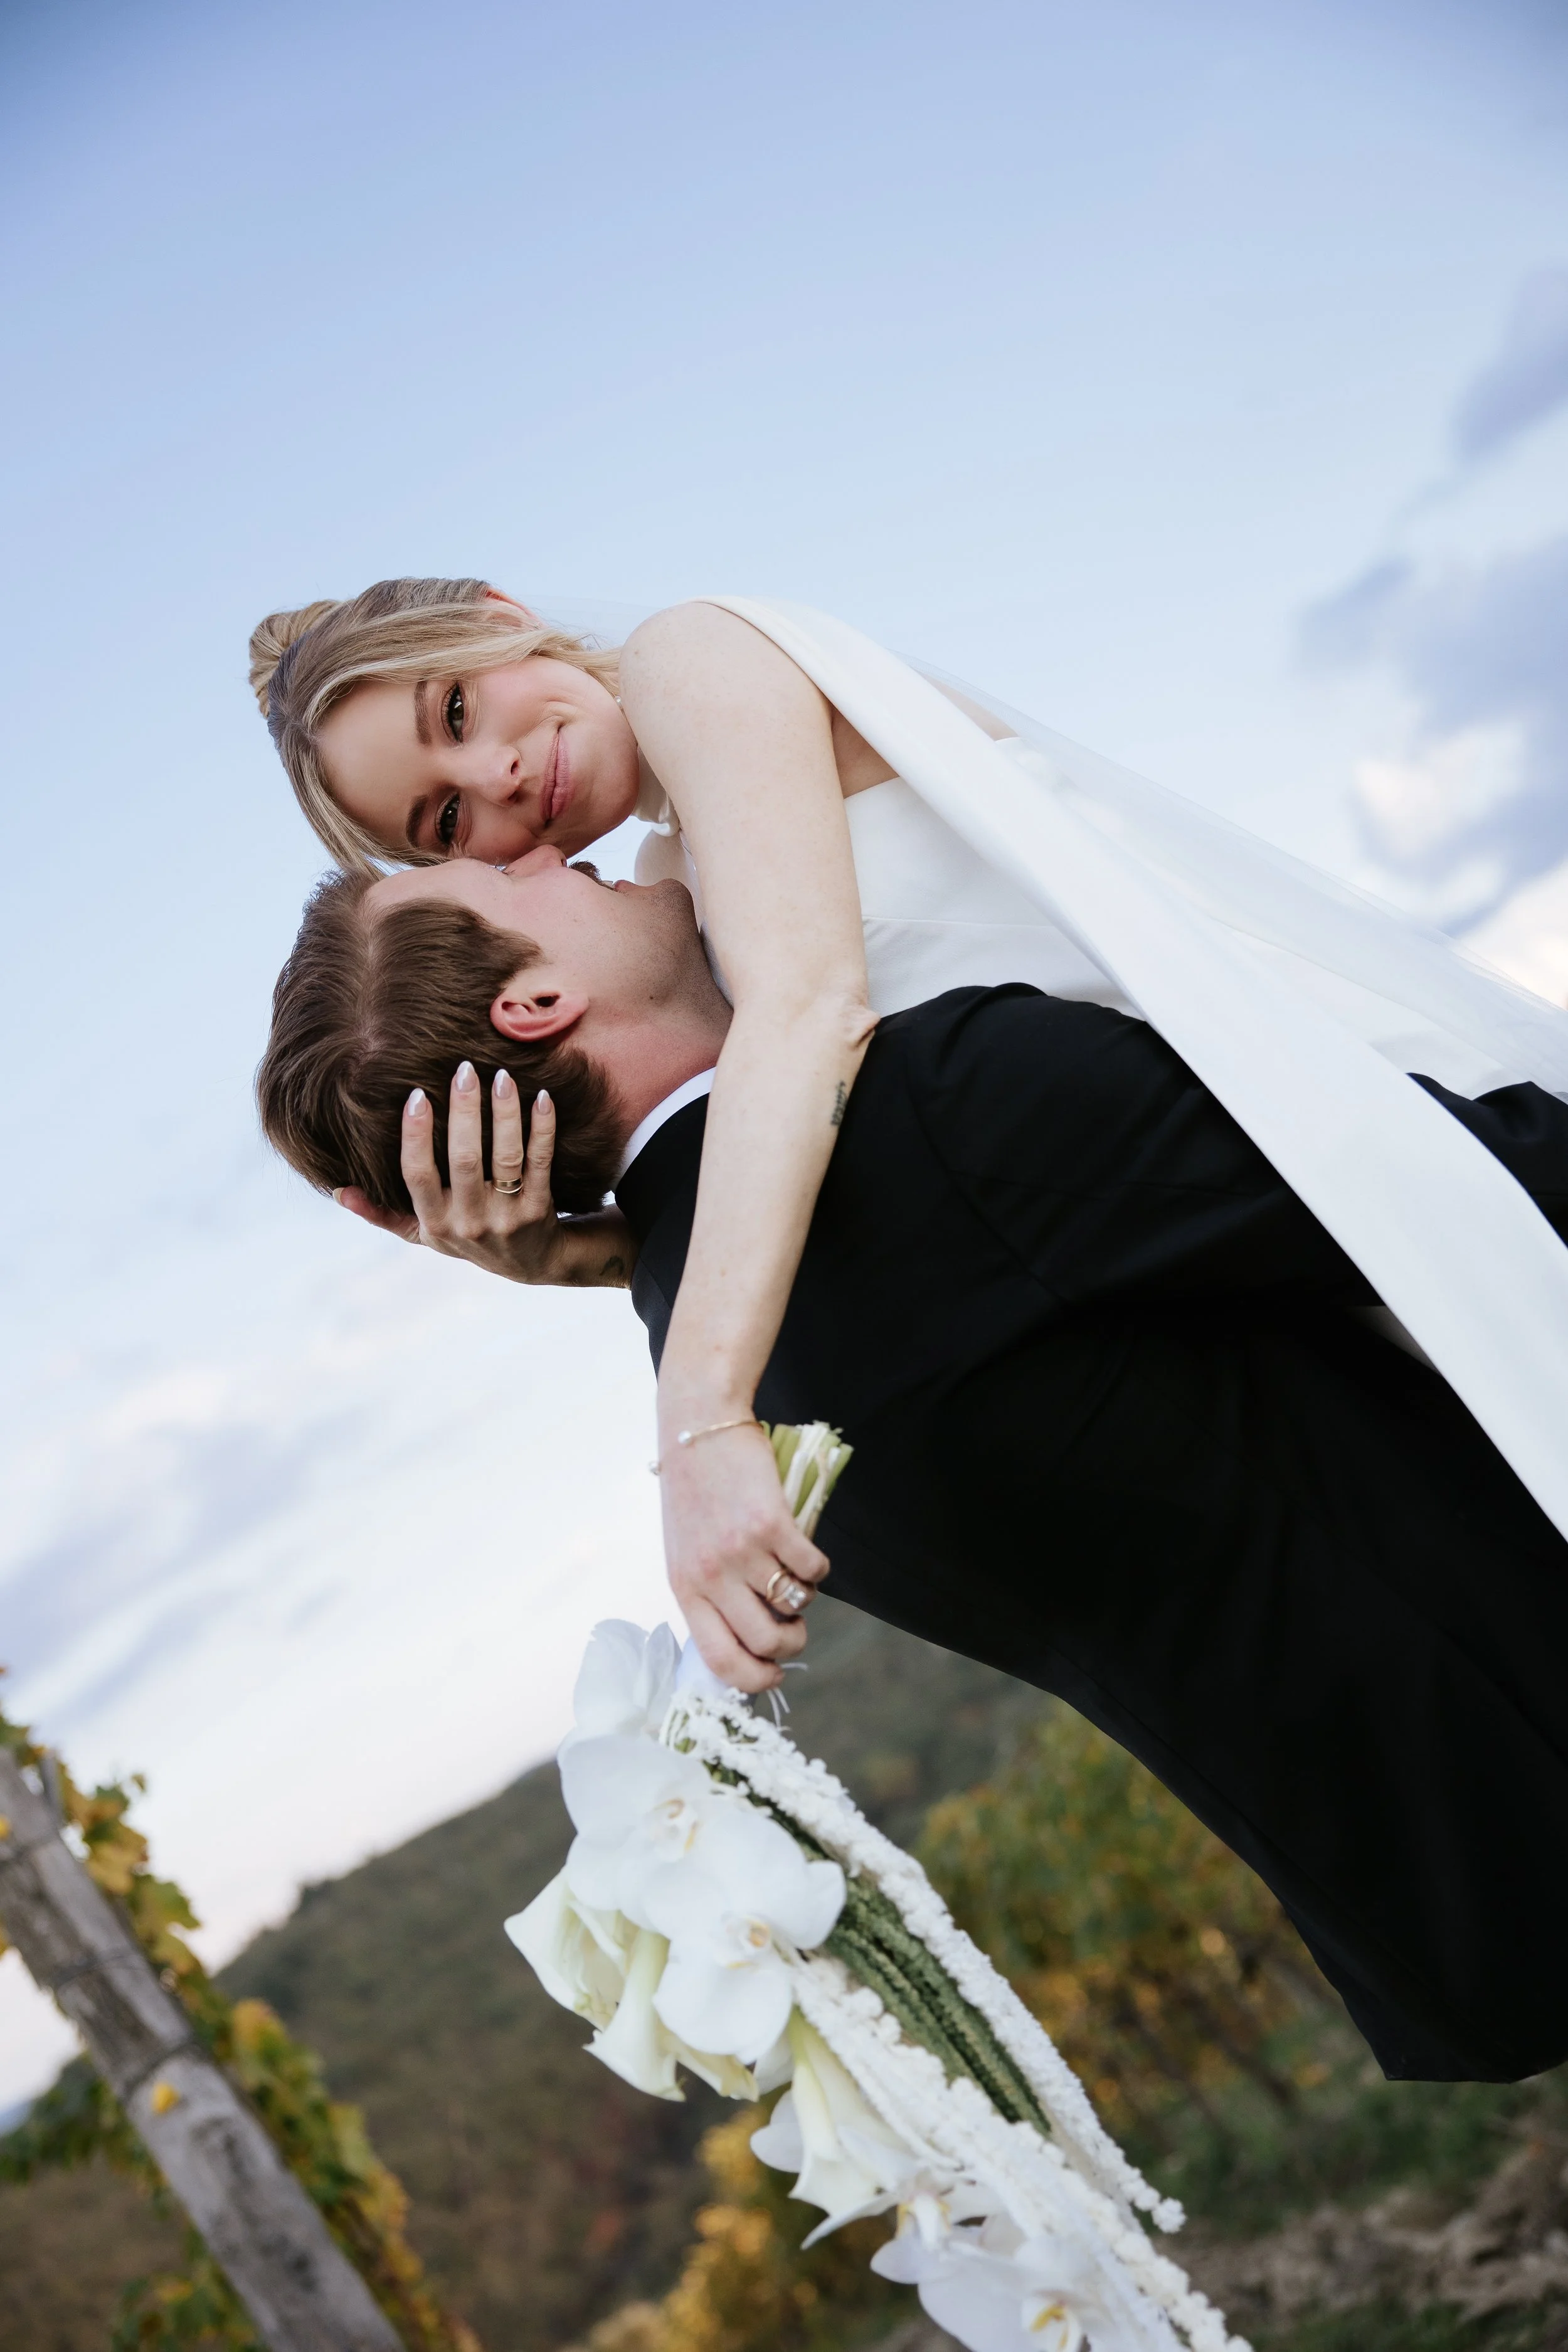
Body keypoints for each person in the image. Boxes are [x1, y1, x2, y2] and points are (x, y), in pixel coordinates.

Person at [256, 847, 1568, 2084]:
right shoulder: (931, 1116)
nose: (548, 850)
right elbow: (1484, 1189)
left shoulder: (711, 1375)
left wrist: (598, 1254)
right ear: (538, 1000)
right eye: (499, 874)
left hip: (1463, 1885)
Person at [250, 581, 1568, 1698]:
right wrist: (564, 1257)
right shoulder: (675, 891)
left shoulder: (690, 662)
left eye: (456, 714)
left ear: (497, 617)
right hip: (1246, 1223)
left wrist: (701, 1419)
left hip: (1342, 1113)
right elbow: (836, 1177)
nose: (496, 786)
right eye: (441, 823)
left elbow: (816, 1017)